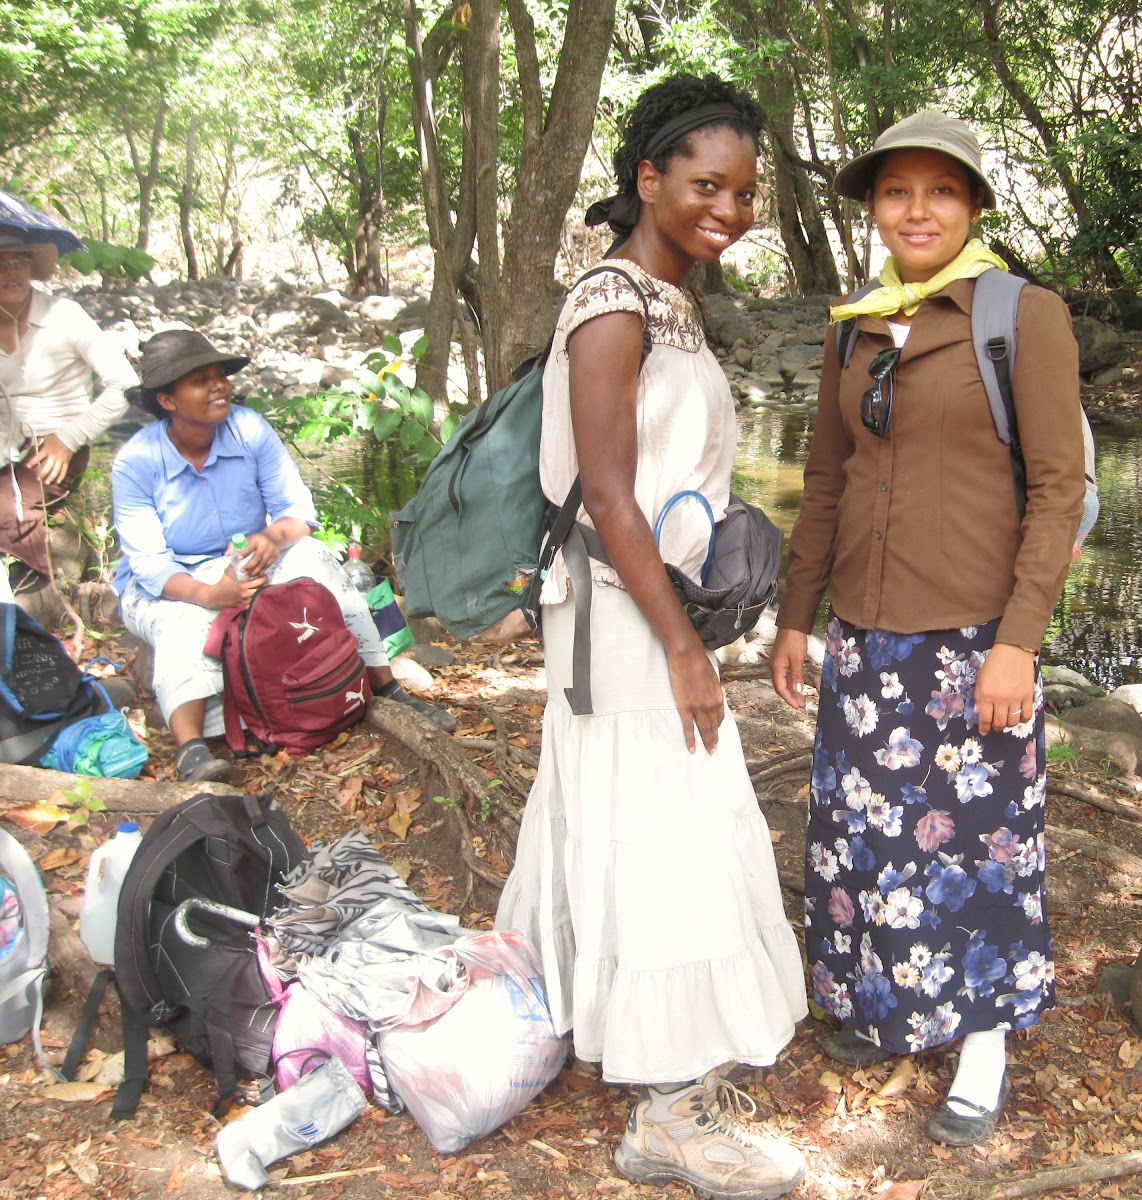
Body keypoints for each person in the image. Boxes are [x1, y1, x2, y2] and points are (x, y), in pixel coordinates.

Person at [492, 75, 806, 1200]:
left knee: (641, 814)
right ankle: (668, 1114)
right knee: (668, 823)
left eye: (745, 192)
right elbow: (610, 496)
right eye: (706, 184)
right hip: (623, 619)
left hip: (647, 606)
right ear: (649, 179)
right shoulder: (612, 303)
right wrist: (682, 648)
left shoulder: (668, 300)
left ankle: (581, 1023)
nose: (729, 208)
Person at [771, 110, 1085, 1146]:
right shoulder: (853, 326)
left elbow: (1058, 487)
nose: (917, 210)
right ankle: (883, 1005)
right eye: (896, 191)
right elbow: (826, 481)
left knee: (981, 850)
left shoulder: (1021, 316)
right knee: (868, 837)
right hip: (864, 637)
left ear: (975, 206)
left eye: (940, 191)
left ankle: (982, 1044)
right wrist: (795, 618)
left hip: (971, 644)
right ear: (872, 207)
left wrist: (1018, 643)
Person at [111, 329, 456, 784]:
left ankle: (386, 685)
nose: (219, 387)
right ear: (167, 400)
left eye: (220, 376)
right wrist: (211, 595)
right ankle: (192, 749)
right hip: (177, 577)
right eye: (200, 380)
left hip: (249, 556)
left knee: (314, 557)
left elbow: (298, 512)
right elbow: (150, 564)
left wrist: (272, 536)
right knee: (181, 619)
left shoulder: (248, 429)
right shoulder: (137, 461)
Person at [0, 229, 137, 580]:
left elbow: (125, 385)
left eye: (19, 260)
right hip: (4, 448)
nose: (10, 271)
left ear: (31, 265)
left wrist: (69, 438)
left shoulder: (64, 316)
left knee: (4, 513)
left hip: (54, 445)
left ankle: (51, 570)